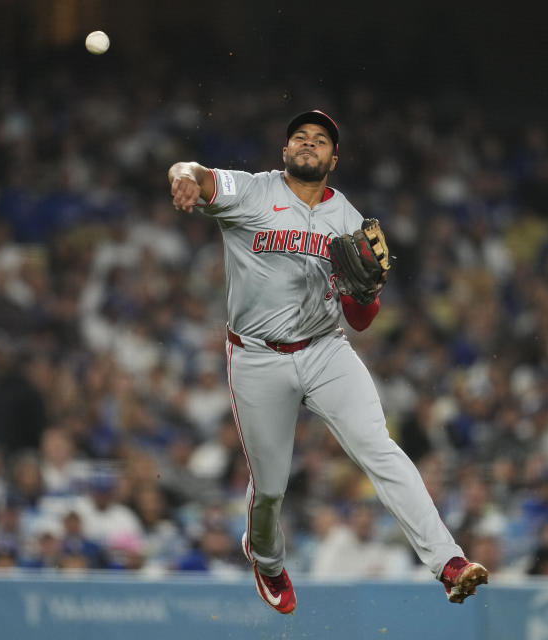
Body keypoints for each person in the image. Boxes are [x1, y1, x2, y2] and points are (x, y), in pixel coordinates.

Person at [167, 110, 488, 614]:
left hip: (324, 348)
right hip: (257, 356)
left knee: (378, 448)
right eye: (300, 137)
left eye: (320, 141)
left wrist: (368, 290)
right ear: (285, 152)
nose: (309, 144)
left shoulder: (350, 219)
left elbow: (360, 320)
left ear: (333, 159)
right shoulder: (252, 191)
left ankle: (448, 562)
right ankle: (266, 558)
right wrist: (184, 179)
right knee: (270, 489)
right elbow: (193, 171)